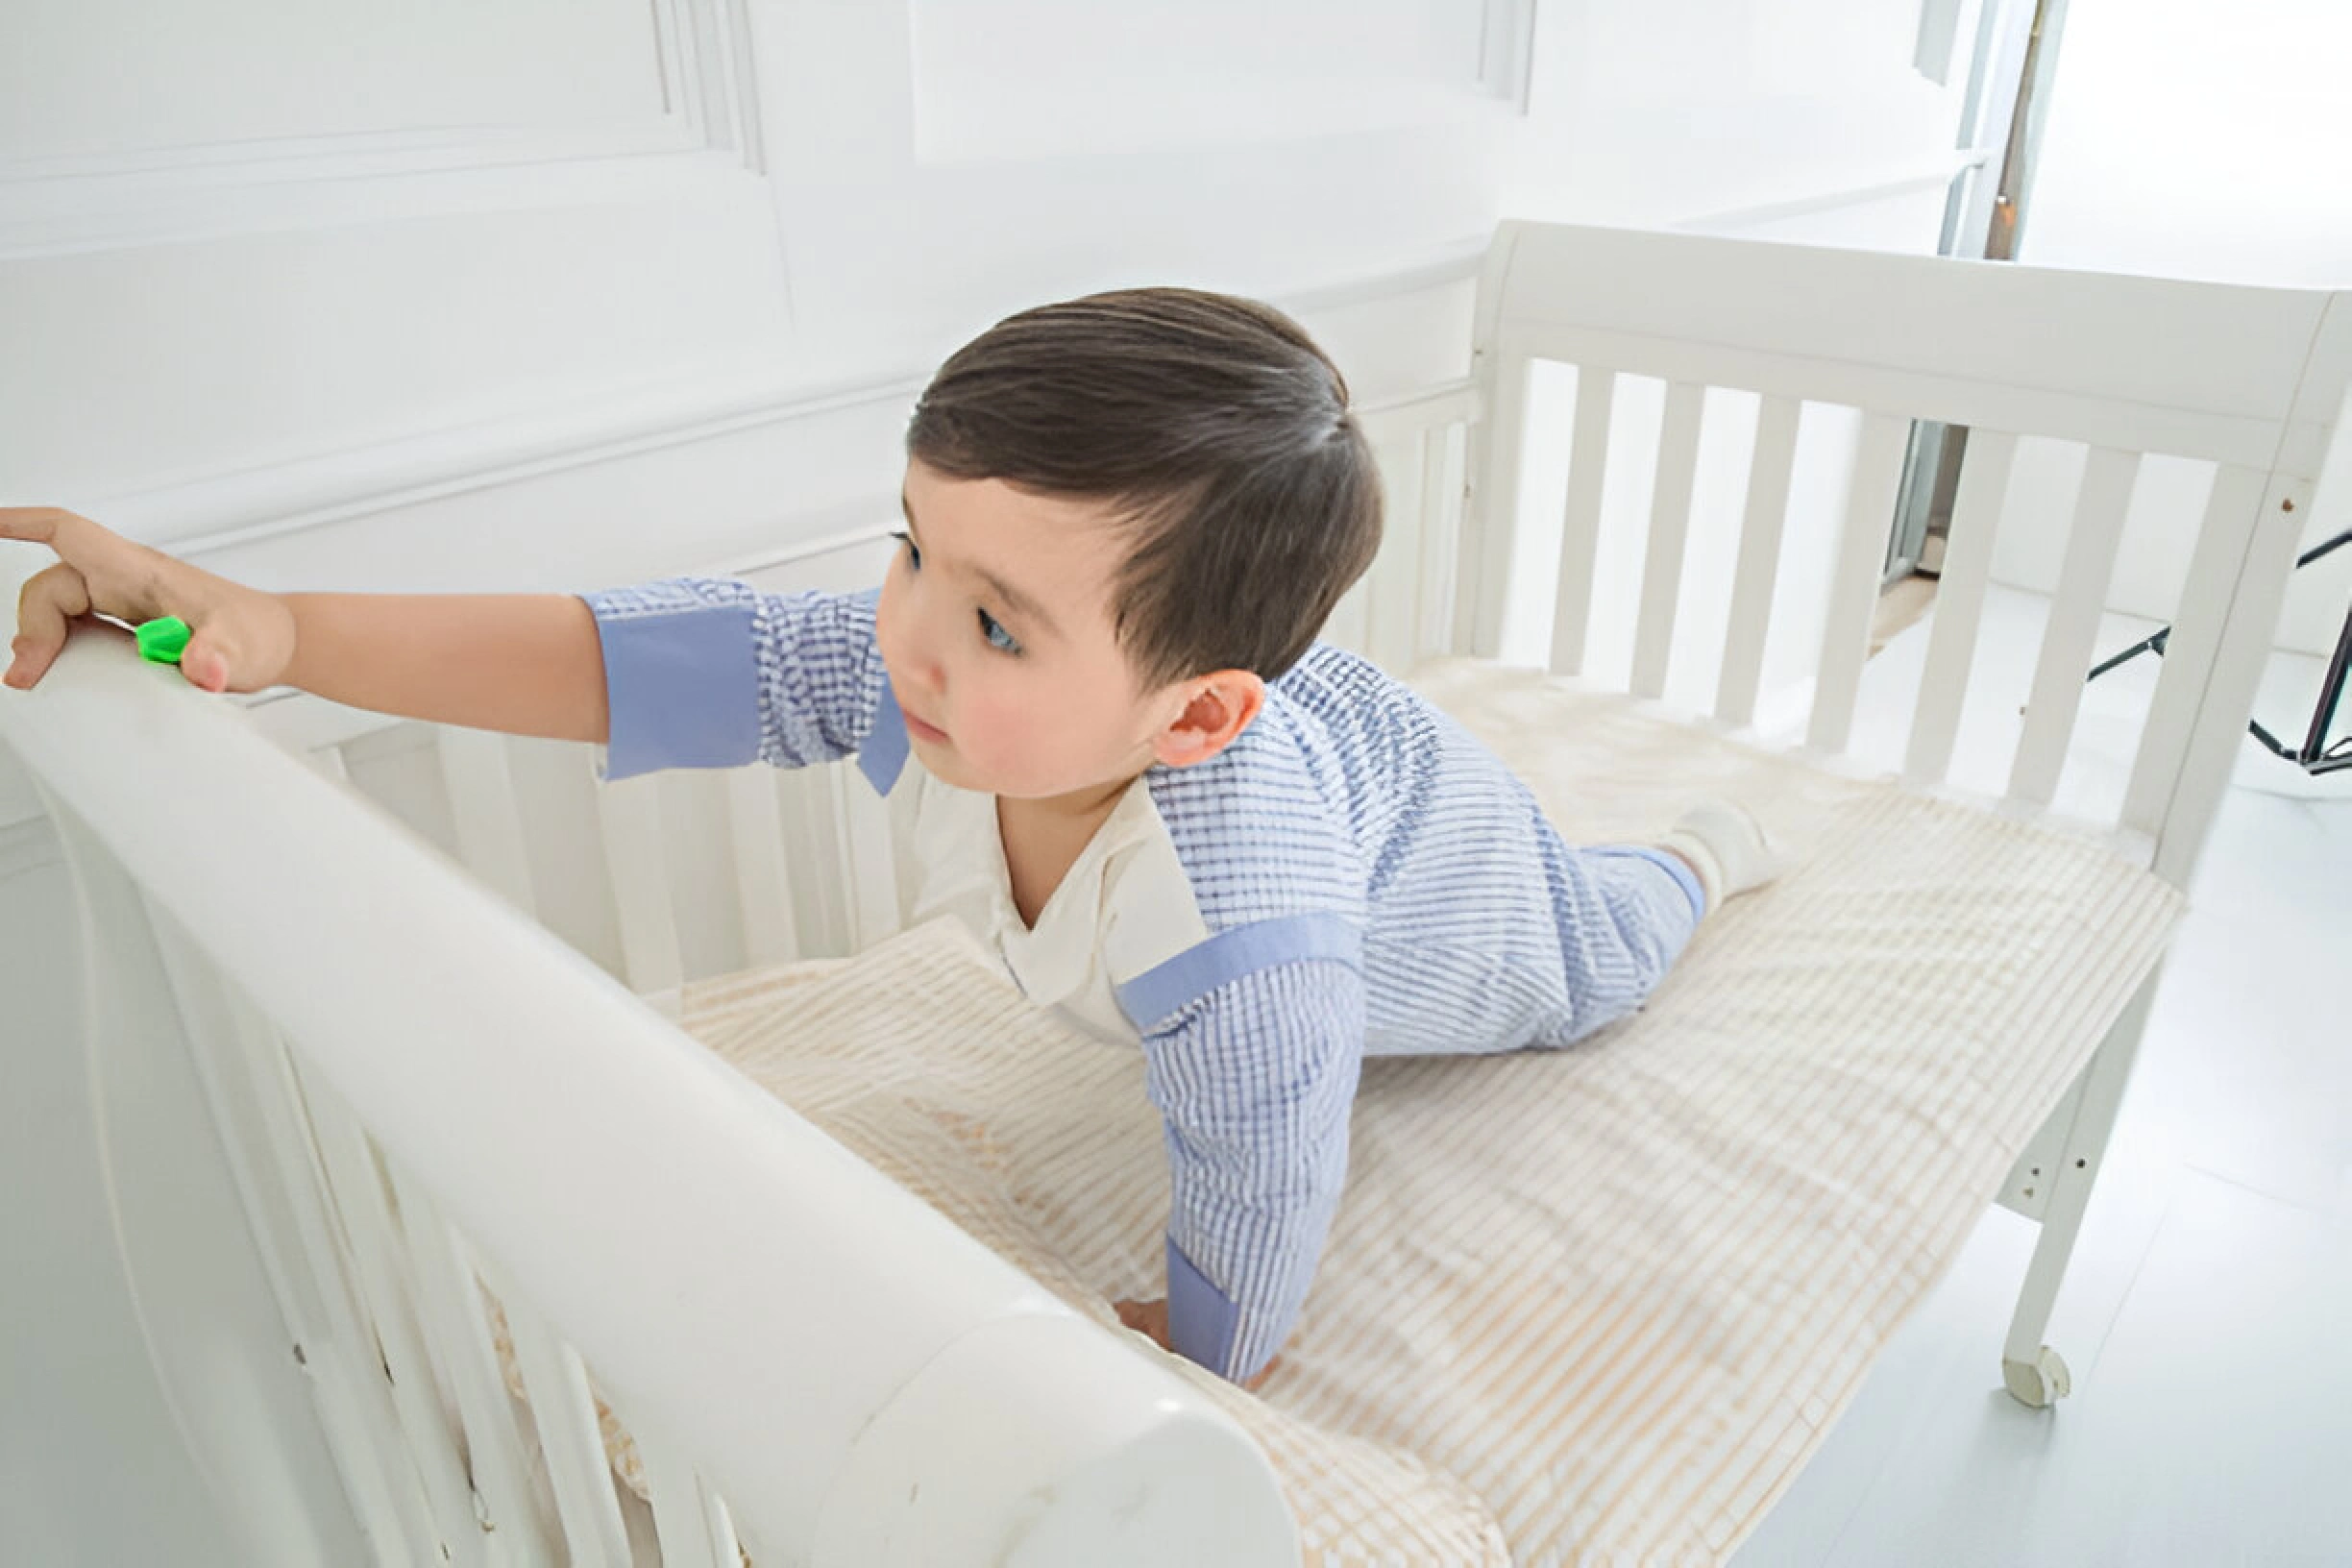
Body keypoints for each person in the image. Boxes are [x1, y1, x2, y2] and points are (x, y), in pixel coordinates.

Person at [1, 287, 1779, 1390]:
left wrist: (1217, 1341)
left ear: (1189, 717)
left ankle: (1706, 842)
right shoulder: (940, 673)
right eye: (912, 543)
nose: (911, 633)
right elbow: (640, 660)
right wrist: (288, 632)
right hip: (1334, 747)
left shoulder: (1245, 943)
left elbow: (1270, 1159)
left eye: (998, 619)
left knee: (1608, 941)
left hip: (1457, 893)